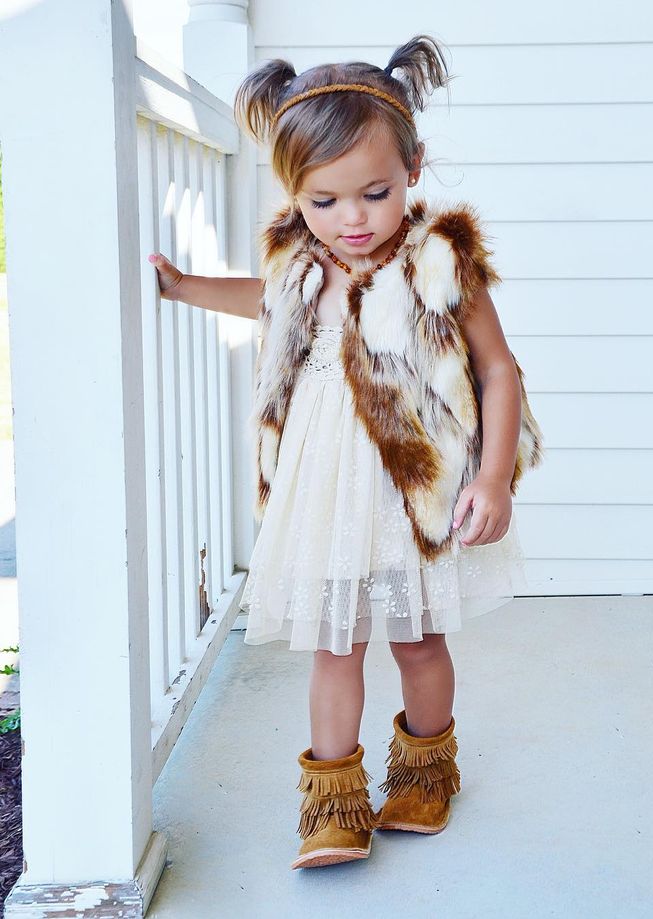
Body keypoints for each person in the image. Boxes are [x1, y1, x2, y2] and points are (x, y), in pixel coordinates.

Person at [149, 34, 543, 871]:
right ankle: (332, 803)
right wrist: (184, 286)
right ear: (295, 193)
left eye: (375, 192)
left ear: (414, 168)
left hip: (412, 489)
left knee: (417, 638)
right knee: (334, 644)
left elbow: (498, 370)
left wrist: (495, 477)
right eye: (324, 201)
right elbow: (262, 300)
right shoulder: (302, 266)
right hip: (328, 489)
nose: (353, 219)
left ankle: (425, 773)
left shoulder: (439, 264)